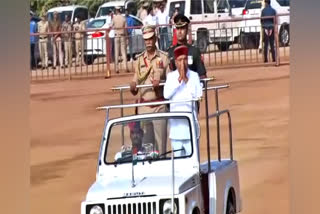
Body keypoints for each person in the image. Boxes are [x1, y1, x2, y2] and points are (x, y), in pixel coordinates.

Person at [129, 25, 170, 154]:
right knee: (146, 147)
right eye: (146, 39)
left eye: (151, 39)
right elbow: (136, 79)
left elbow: (171, 82)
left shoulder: (164, 57)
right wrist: (132, 86)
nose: (148, 42)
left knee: (160, 146)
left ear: (156, 38)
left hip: (159, 105)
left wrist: (161, 83)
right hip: (144, 108)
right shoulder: (139, 59)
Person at [164, 45, 203, 156]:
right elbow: (166, 95)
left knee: (193, 164)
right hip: (176, 130)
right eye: (180, 60)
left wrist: (186, 81)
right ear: (176, 62)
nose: (183, 63)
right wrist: (178, 81)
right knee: (178, 165)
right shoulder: (171, 77)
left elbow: (199, 95)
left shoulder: (194, 76)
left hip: (190, 128)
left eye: (185, 59)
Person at [167, 14, 207, 78]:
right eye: (177, 28)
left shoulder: (194, 51)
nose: (179, 32)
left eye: (182, 28)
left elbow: (202, 75)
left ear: (187, 30)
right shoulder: (170, 52)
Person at [112, 6, 129, 73]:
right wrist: (127, 37)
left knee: (116, 52)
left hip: (116, 35)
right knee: (123, 52)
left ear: (116, 10)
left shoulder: (114, 18)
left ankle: (116, 68)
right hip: (122, 35)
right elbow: (126, 28)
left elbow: (111, 25)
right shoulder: (123, 18)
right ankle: (125, 67)